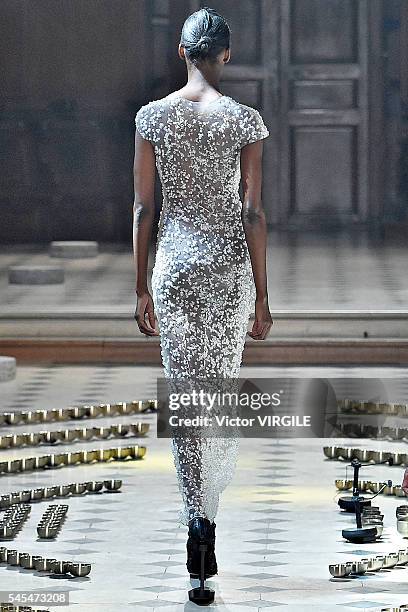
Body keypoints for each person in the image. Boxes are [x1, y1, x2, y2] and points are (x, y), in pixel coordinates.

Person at [132, 5, 273, 596]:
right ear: (227, 55)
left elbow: (144, 208)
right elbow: (253, 211)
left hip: (174, 273)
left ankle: (196, 517)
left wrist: (139, 284)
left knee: (185, 402)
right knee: (216, 399)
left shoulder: (152, 118)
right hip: (223, 273)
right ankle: (208, 517)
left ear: (181, 53)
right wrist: (263, 295)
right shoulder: (244, 121)